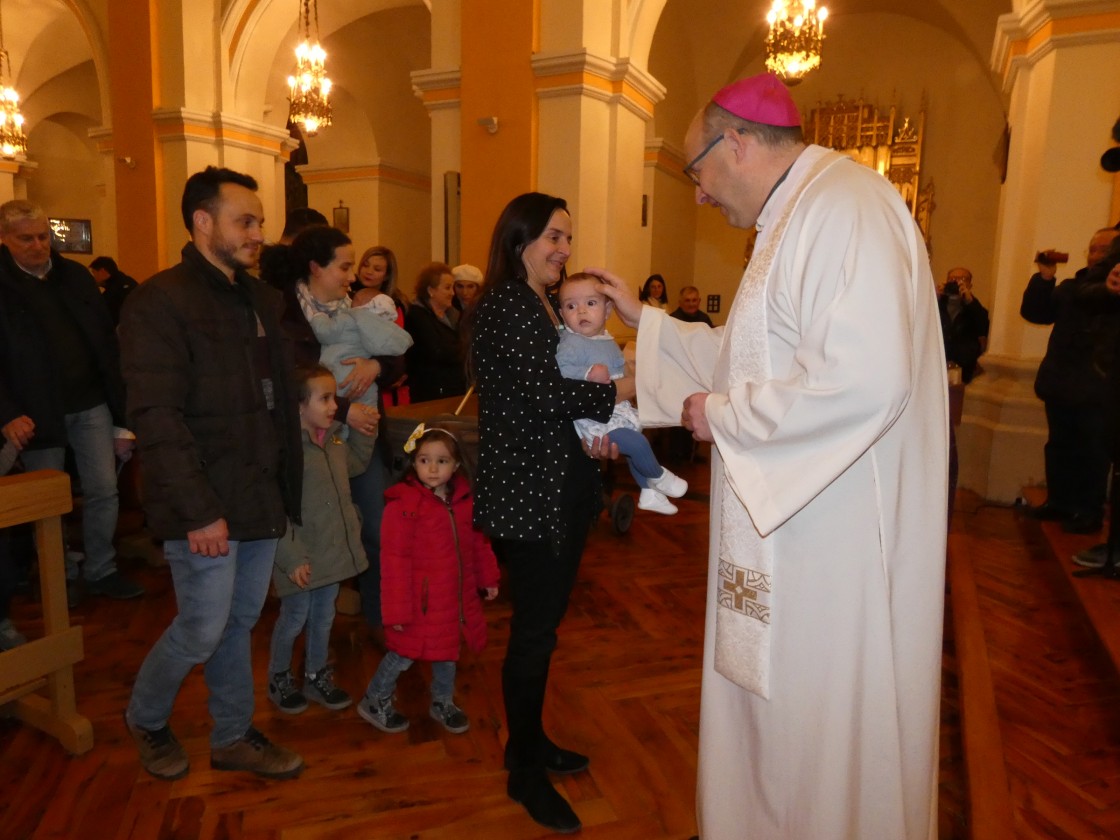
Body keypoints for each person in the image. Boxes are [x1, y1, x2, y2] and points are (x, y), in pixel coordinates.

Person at [592, 72, 949, 840]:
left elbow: (866, 379)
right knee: (776, 708)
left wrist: (723, 416)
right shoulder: (798, 214)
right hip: (794, 532)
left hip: (833, 537)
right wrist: (647, 325)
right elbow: (753, 357)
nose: (697, 195)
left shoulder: (843, 207)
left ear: (741, 144)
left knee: (818, 718)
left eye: (696, 172)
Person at [120, 166, 304, 782]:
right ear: (203, 223)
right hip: (204, 500)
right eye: (244, 221)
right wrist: (199, 511)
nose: (259, 232)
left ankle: (230, 736)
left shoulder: (256, 298)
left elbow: (271, 393)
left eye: (258, 221)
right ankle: (145, 717)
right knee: (201, 628)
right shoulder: (160, 301)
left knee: (240, 622)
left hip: (256, 490)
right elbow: (157, 415)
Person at [471, 192, 633, 834]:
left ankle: (530, 743)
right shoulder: (510, 302)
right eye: (555, 237)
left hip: (552, 485)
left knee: (543, 627)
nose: (565, 249)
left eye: (569, 238)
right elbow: (538, 394)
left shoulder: (539, 305)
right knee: (535, 632)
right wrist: (621, 387)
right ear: (520, 240)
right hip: (531, 493)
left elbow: (547, 395)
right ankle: (523, 771)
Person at [0, 200, 143, 607]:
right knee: (49, 502)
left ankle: (101, 569)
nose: (38, 245)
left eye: (43, 236)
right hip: (35, 410)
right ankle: (56, 575)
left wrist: (121, 418)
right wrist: (7, 413)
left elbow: (103, 344)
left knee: (103, 488)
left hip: (89, 401)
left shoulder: (75, 276)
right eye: (25, 238)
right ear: (4, 239)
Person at [357, 424, 499, 735]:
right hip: (418, 602)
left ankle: (442, 701)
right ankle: (375, 698)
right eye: (424, 460)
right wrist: (394, 612)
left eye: (442, 461)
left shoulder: (464, 502)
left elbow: (478, 544)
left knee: (448, 650)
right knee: (404, 653)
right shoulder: (403, 506)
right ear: (413, 463)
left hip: (453, 598)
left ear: (457, 465)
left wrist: (488, 578)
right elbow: (393, 561)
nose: (432, 468)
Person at [268, 365, 374, 715]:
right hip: (298, 556)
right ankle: (279, 676)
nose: (334, 406)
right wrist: (291, 557)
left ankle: (316, 674)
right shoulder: (285, 452)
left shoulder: (335, 439)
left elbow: (356, 464)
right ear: (299, 405)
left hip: (331, 551)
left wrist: (365, 431)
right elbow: (274, 509)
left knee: (324, 615)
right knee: (295, 616)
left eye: (335, 397)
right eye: (325, 398)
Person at [556, 272, 687, 514]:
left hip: (615, 408)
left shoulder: (605, 340)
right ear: (563, 315)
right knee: (636, 443)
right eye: (571, 306)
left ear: (607, 311)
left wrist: (628, 371)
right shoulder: (571, 343)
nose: (581, 312)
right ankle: (658, 476)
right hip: (593, 417)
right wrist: (587, 372)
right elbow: (561, 370)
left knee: (632, 447)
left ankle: (647, 492)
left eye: (591, 303)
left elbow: (617, 370)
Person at [1021, 227, 1120, 534]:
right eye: (1092, 249)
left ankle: (1088, 512)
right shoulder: (1070, 286)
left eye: (1104, 250)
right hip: (1060, 381)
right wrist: (1045, 277)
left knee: (1092, 452)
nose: (1096, 255)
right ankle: (1059, 502)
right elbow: (1035, 313)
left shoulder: (1112, 293)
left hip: (1095, 386)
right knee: (1059, 446)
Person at [288, 225, 412, 411]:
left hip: (365, 417)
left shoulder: (358, 304)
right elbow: (290, 385)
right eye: (345, 268)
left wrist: (375, 366)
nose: (353, 277)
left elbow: (396, 355)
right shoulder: (286, 312)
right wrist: (344, 411)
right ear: (315, 268)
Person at [354, 245, 410, 406]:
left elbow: (394, 344)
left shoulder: (393, 304)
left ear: (386, 276)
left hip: (382, 374)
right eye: (365, 265)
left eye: (377, 269)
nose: (369, 271)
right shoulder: (347, 294)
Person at [405, 261, 468, 403]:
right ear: (431, 290)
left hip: (453, 389)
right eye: (447, 288)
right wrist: (465, 348)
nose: (452, 293)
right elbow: (437, 350)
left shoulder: (454, 316)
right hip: (430, 393)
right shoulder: (417, 316)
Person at [936, 266, 990, 383]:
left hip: (964, 369)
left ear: (970, 285)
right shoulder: (937, 304)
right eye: (952, 279)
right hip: (937, 365)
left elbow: (984, 327)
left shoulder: (975, 308)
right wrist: (934, 298)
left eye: (962, 279)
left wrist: (970, 302)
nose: (956, 282)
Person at [89, 255, 139, 326]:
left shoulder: (113, 291)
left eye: (94, 272)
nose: (93, 277)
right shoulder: (127, 281)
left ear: (102, 271)